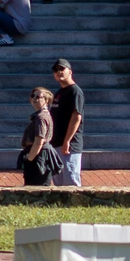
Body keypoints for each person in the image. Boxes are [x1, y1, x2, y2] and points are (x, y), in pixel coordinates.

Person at [50, 57, 86, 187]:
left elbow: (76, 117)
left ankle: (75, 206)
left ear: (70, 71)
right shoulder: (60, 92)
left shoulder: (75, 91)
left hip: (69, 145)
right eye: (55, 70)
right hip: (56, 143)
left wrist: (67, 141)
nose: (58, 72)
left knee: (70, 181)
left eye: (61, 69)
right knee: (59, 182)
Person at [19, 85, 58, 186]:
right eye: (33, 96)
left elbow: (39, 141)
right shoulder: (41, 115)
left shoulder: (41, 117)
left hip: (39, 156)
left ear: (46, 100)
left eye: (38, 97)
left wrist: (29, 160)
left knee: (36, 187)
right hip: (39, 154)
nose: (34, 99)